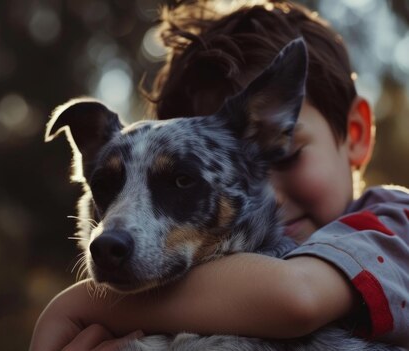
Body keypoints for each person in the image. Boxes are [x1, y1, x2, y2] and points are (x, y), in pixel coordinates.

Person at [30, 0, 409, 350]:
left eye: (288, 155)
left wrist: (80, 304)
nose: (260, 198)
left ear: (357, 133)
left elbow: (297, 297)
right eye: (110, 184)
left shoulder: (395, 224)